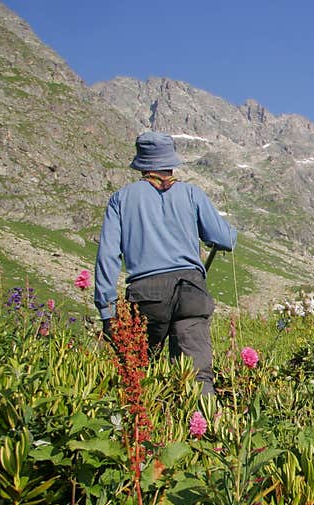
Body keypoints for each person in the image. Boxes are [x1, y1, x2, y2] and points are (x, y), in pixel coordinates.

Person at [94, 131, 237, 396]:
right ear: (171, 161)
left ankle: (148, 426)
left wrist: (107, 310)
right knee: (197, 375)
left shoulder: (121, 199)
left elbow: (107, 256)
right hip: (191, 291)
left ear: (141, 164)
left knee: (139, 374)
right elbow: (225, 239)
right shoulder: (192, 194)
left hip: (145, 295)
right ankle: (205, 427)